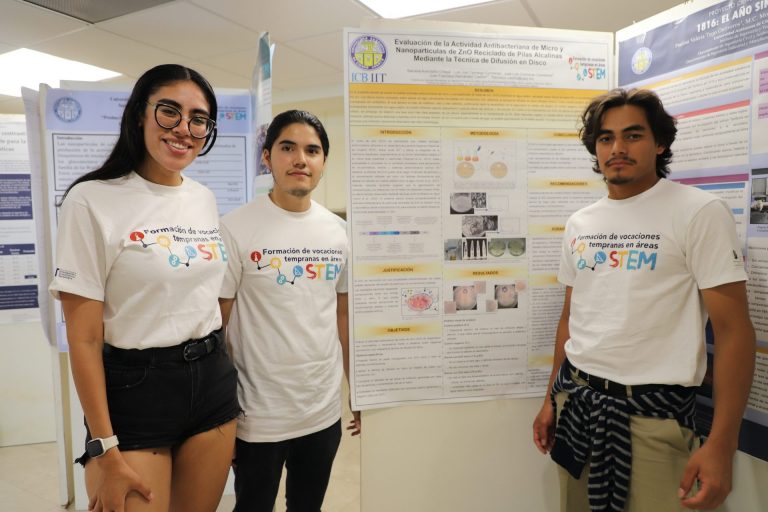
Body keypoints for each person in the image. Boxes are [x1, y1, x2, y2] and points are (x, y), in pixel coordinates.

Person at [532, 88, 755, 511]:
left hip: (654, 420)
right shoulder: (581, 223)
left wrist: (723, 444)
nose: (617, 148)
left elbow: (734, 332)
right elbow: (570, 319)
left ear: (659, 143)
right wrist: (549, 401)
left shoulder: (698, 211)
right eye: (605, 138)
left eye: (633, 135)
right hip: (577, 406)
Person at [49, 64, 240, 512]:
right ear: (139, 113)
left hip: (210, 378)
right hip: (135, 390)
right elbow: (84, 338)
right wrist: (103, 445)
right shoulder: (91, 199)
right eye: (169, 111)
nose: (184, 129)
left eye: (198, 119)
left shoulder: (203, 198)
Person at [218, 109, 361, 512]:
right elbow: (218, 327)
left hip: (321, 411)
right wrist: (221, 414)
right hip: (256, 416)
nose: (301, 159)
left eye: (312, 150)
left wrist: (357, 391)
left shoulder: (339, 232)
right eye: (288, 148)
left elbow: (343, 317)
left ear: (323, 162)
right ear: (267, 157)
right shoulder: (235, 227)